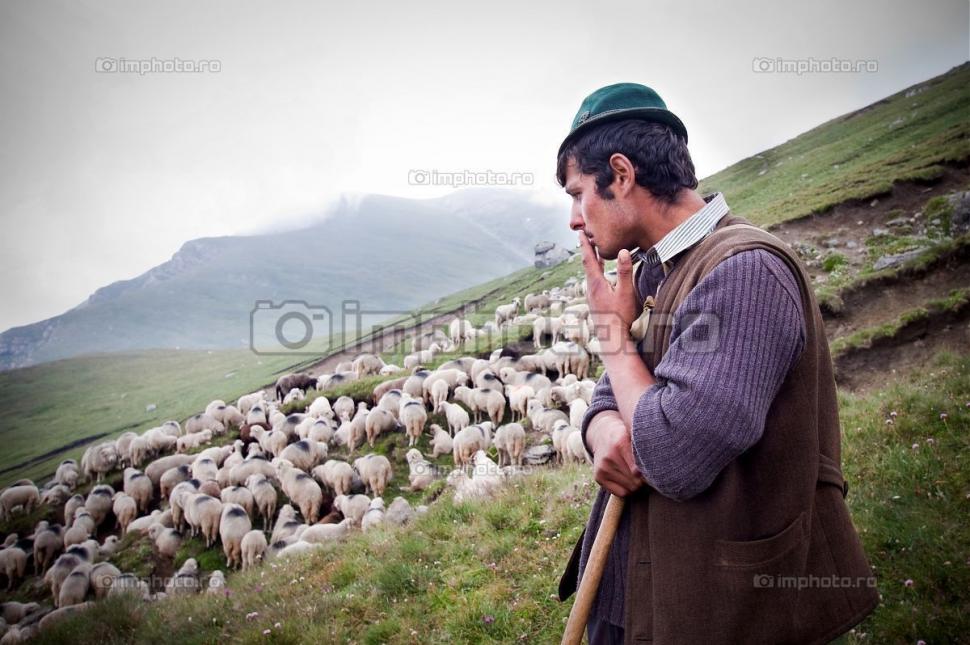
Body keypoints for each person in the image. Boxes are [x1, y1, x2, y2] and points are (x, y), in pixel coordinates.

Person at [555, 83, 879, 644]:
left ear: (622, 174)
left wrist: (611, 333)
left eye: (578, 192)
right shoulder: (660, 269)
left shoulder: (743, 271)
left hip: (718, 606)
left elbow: (674, 454)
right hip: (636, 586)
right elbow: (618, 394)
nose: (574, 219)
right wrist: (604, 429)